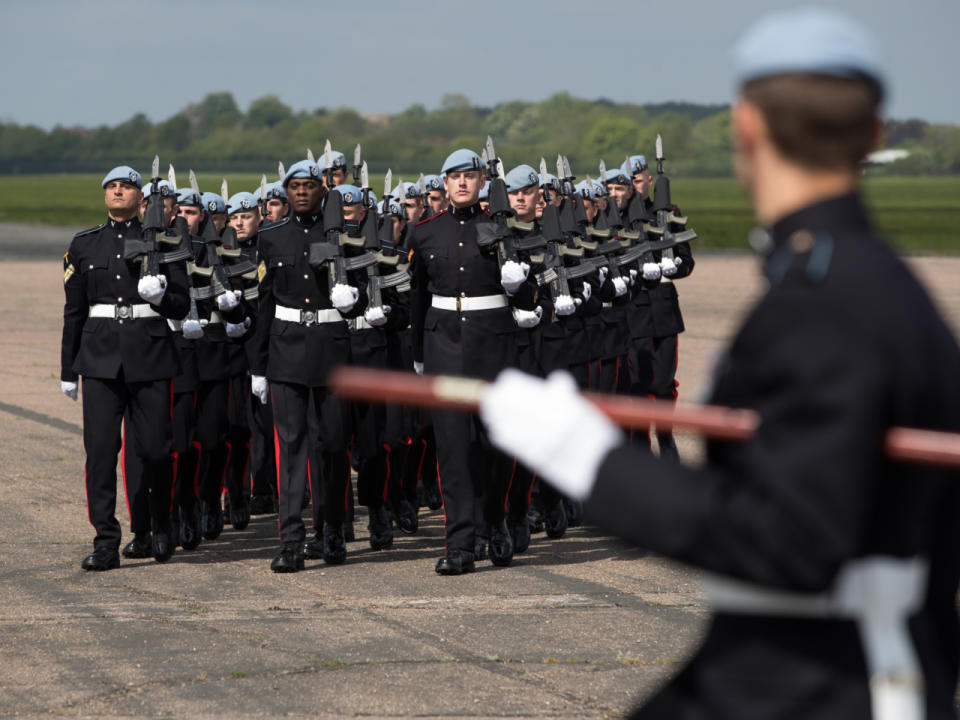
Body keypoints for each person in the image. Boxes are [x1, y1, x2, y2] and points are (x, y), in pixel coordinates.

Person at [480, 8, 960, 719]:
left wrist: (589, 460)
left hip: (825, 684)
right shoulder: (866, 283)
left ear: (746, 127)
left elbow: (791, 540)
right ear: (873, 136)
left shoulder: (823, 303)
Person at [408, 148, 539, 574]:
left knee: (494, 445)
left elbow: (531, 297)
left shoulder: (504, 230)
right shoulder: (425, 233)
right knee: (452, 449)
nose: (462, 183)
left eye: (470, 176)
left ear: (482, 182)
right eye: (454, 177)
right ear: (443, 184)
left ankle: (494, 521)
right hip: (444, 345)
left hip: (493, 346)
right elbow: (416, 299)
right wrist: (418, 358)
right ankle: (460, 544)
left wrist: (520, 286)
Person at [61, 166, 190, 570]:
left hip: (149, 353)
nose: (118, 191)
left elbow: (182, 305)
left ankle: (158, 523)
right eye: (111, 186)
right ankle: (105, 541)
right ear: (105, 195)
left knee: (154, 450)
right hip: (99, 359)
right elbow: (74, 311)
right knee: (100, 453)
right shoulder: (84, 244)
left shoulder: (164, 241)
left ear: (141, 197)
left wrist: (160, 296)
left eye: (126, 186)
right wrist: (68, 368)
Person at [249, 158, 367, 572]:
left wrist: (356, 301)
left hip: (332, 348)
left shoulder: (347, 235)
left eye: (308, 186)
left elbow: (366, 292)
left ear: (323, 189)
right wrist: (258, 366)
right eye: (293, 186)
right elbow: (264, 303)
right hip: (285, 351)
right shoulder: (270, 237)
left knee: (332, 446)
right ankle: (291, 540)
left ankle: (331, 529)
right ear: (286, 191)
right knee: (292, 448)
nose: (301, 192)